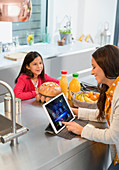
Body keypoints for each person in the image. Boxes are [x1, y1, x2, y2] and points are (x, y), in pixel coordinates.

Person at [63, 45, 119, 170]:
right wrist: (77, 112)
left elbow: (113, 136)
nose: (91, 72)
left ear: (106, 66)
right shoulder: (112, 89)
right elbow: (106, 115)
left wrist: (82, 131)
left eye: (94, 67)